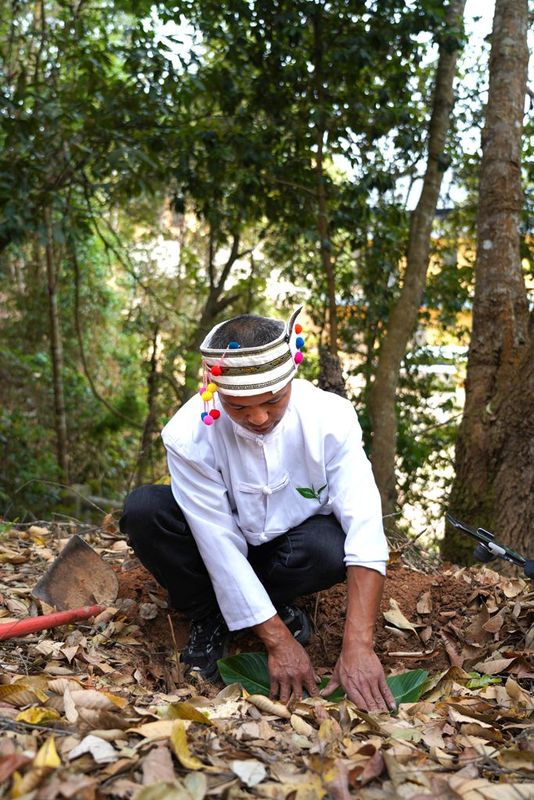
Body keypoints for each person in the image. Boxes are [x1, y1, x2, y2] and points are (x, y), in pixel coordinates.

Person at [120, 306, 396, 712]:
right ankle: (208, 616)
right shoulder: (188, 433)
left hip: (285, 552)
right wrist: (278, 640)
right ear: (213, 392)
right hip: (210, 552)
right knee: (145, 510)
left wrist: (358, 646)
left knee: (329, 546)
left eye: (272, 401)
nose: (259, 417)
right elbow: (217, 544)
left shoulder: (331, 419)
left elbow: (366, 527)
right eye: (239, 407)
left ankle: (267, 602)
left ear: (291, 379)